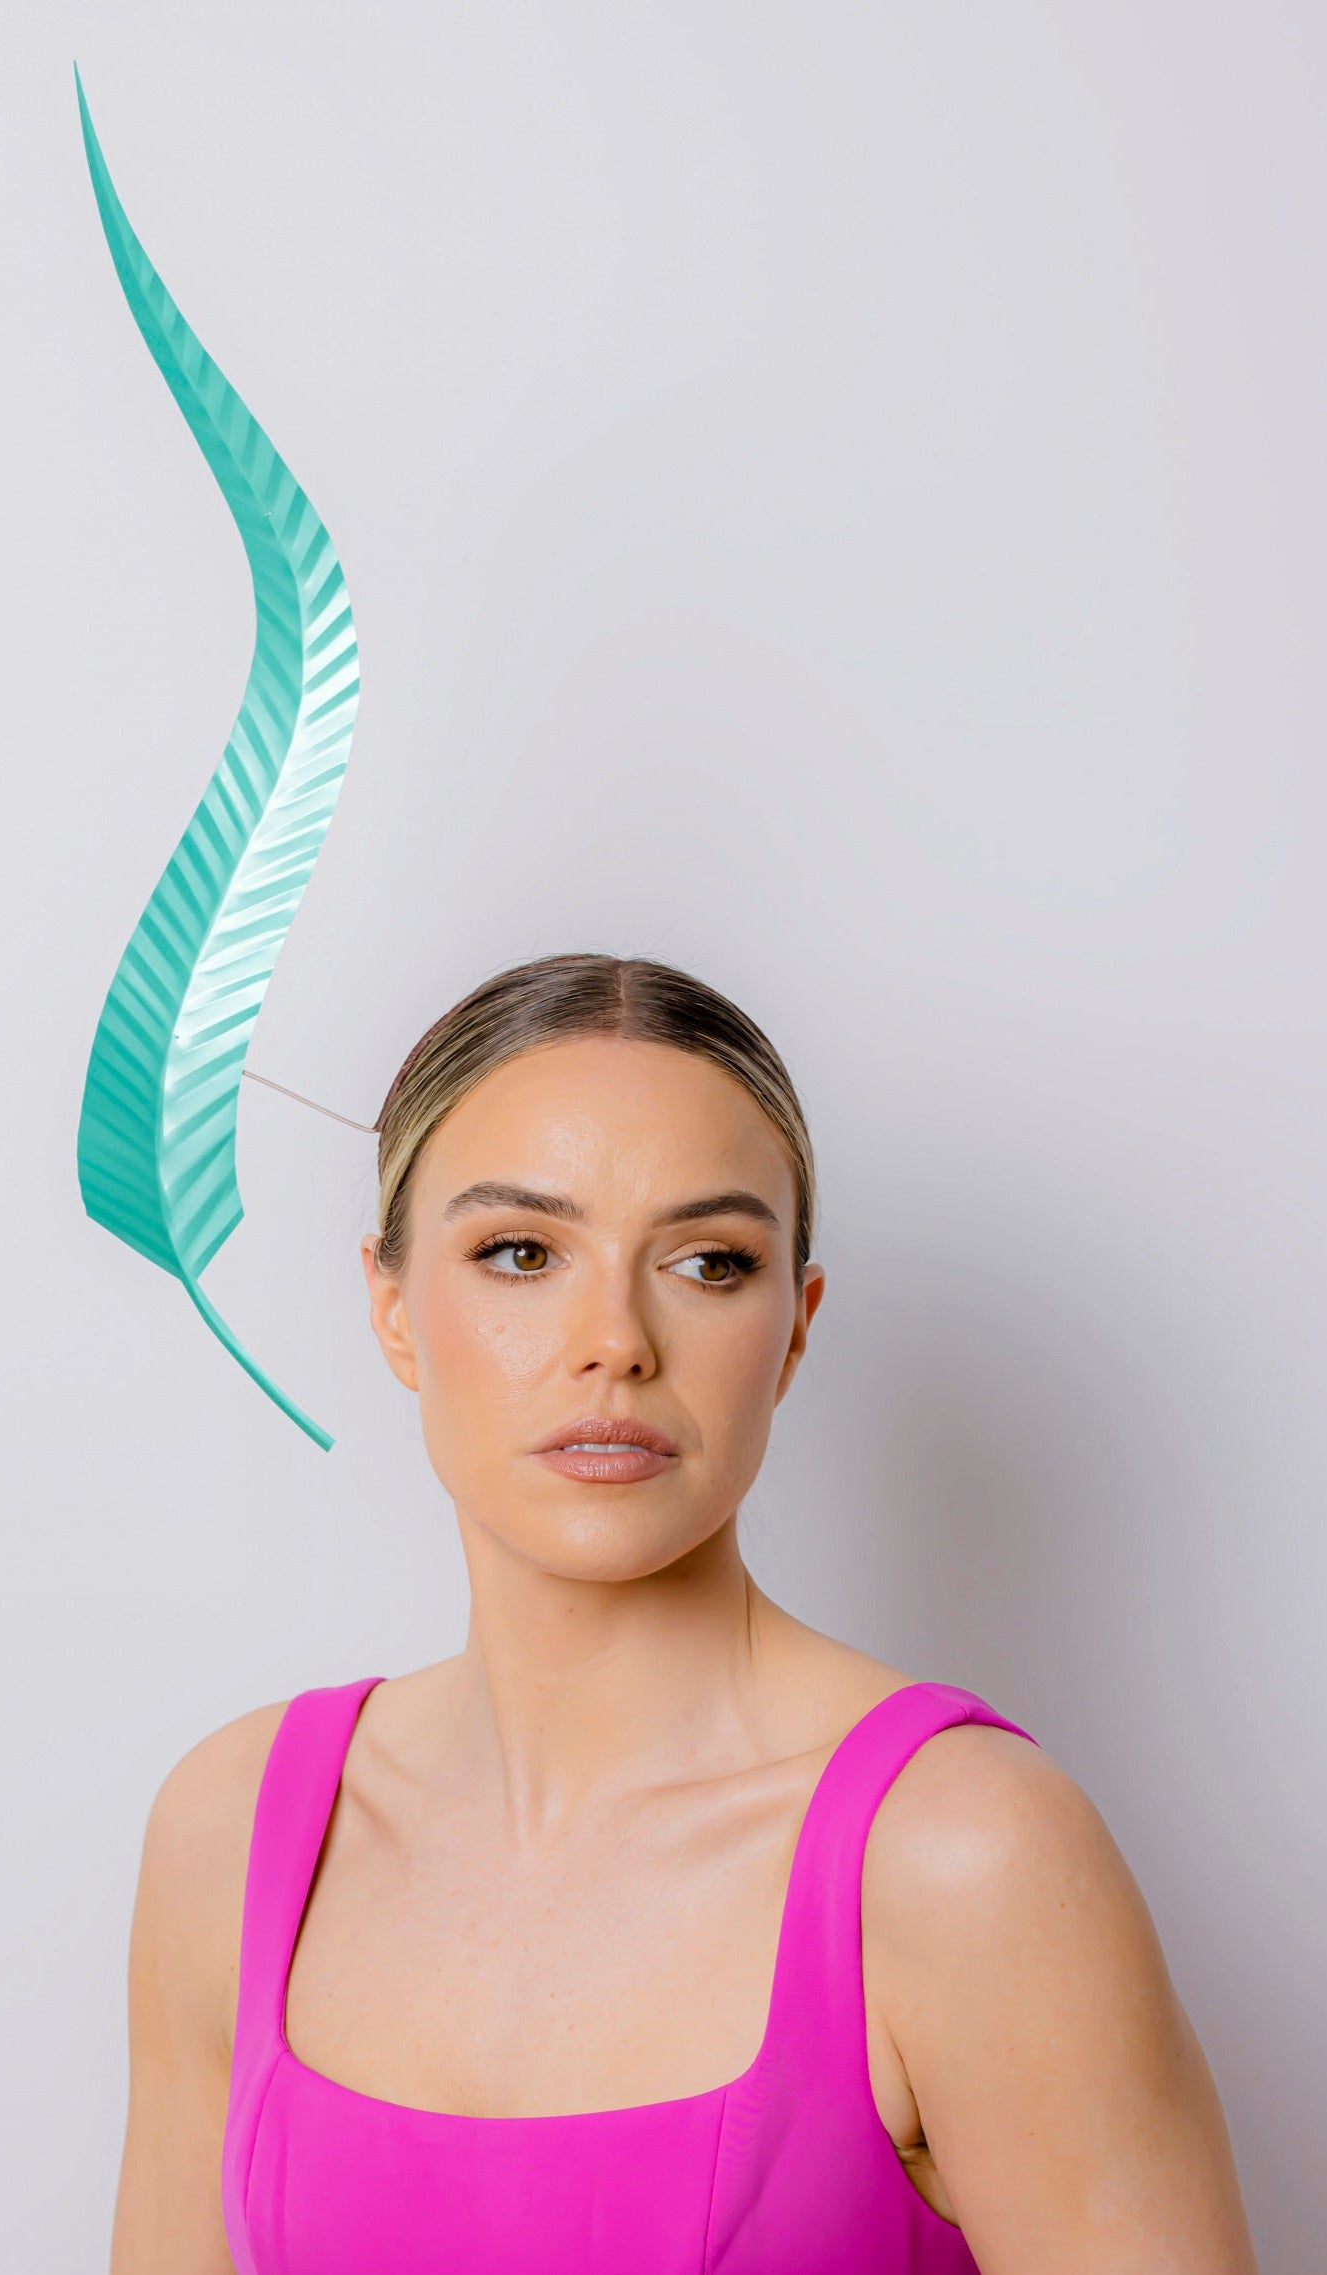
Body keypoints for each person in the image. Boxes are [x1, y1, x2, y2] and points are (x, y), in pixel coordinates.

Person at [107, 953, 1257, 2274]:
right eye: (520, 1252)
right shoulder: (234, 1828)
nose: (616, 1340)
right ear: (392, 1309)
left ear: (795, 1324)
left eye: (707, 1262)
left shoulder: (961, 1857)